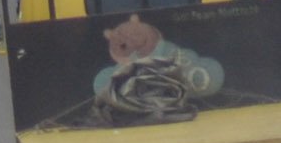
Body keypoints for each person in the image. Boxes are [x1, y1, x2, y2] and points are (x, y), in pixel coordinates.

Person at [91, 14, 223, 122]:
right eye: (125, 44)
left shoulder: (175, 56)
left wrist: (197, 77)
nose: (133, 41)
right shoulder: (121, 73)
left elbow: (211, 74)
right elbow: (103, 86)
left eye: (135, 35)